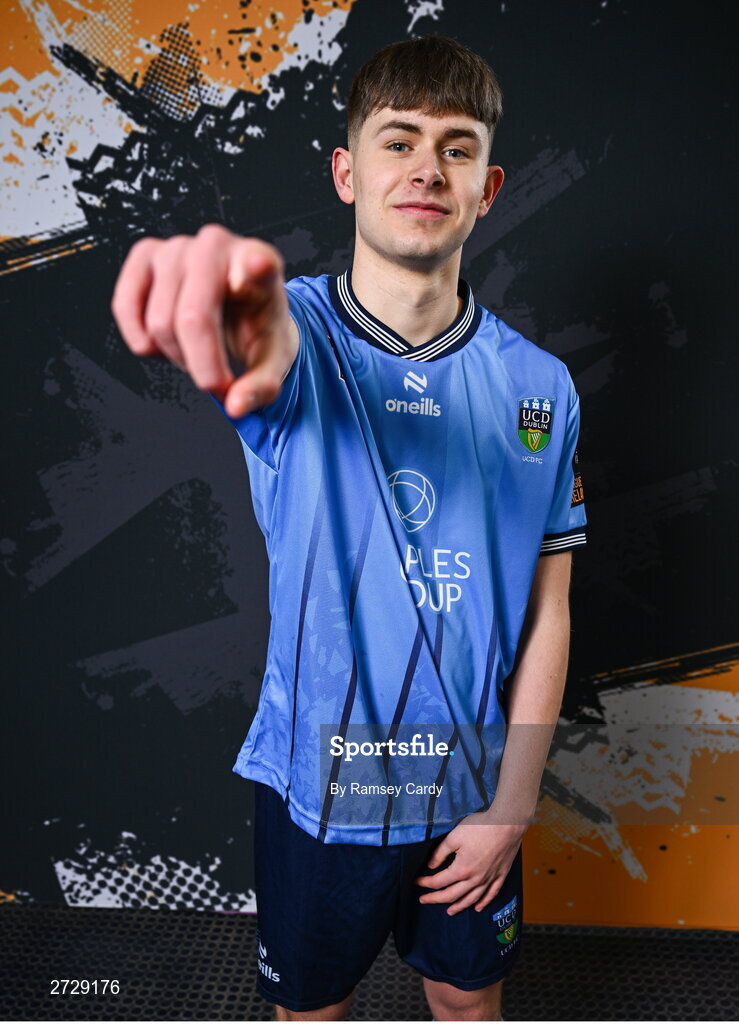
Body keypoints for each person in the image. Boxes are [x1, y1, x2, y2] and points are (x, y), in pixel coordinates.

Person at [111, 34, 587, 1023]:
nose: (425, 166)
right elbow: (260, 345)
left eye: (456, 147)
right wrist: (227, 289)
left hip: (469, 788)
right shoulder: (300, 334)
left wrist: (512, 804)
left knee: (465, 1000)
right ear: (346, 171)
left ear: (488, 186)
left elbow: (549, 613)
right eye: (397, 139)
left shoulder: (540, 388)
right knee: (312, 1015)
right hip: (320, 789)